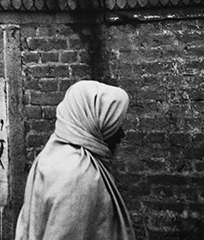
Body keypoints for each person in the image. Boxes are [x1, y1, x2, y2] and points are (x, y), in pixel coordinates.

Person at [15, 80, 135, 240]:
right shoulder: (78, 175)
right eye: (113, 125)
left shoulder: (53, 155)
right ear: (93, 122)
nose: (121, 135)